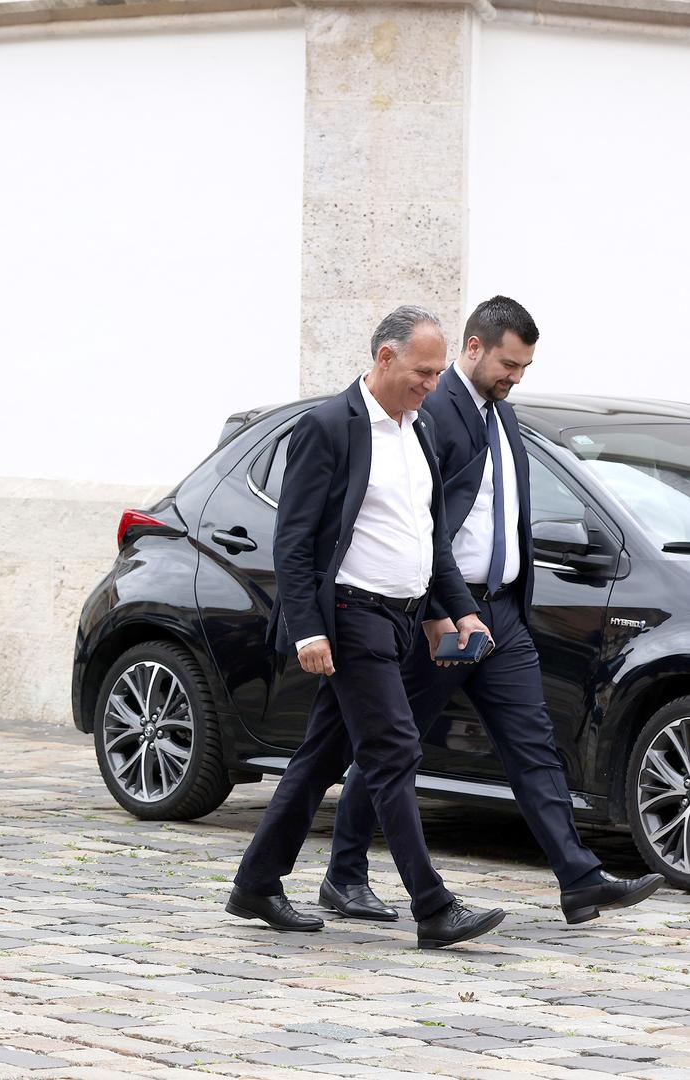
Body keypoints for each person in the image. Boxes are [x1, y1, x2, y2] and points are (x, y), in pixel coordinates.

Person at [321, 296, 663, 925]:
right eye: (509, 363)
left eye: (525, 367)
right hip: (443, 615)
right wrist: (435, 609)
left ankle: (580, 878)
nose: (516, 377)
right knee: (392, 749)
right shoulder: (431, 411)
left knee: (534, 746)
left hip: (500, 613)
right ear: (473, 348)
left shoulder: (503, 416)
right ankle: (345, 874)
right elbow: (417, 524)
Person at [227, 305, 506, 950]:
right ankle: (433, 906)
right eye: (422, 371)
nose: (432, 385)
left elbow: (430, 536)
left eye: (438, 374)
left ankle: (256, 882)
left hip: (402, 618)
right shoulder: (330, 427)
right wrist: (307, 629)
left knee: (323, 754)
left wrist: (452, 609)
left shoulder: (421, 431)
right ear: (385, 358)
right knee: (394, 749)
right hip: (351, 616)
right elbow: (293, 541)